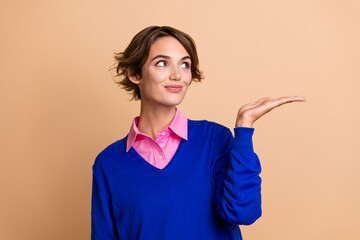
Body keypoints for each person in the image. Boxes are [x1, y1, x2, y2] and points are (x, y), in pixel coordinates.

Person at [91, 26, 305, 240]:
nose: (177, 75)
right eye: (162, 63)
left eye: (185, 65)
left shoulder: (214, 140)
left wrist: (244, 128)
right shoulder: (108, 163)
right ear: (135, 74)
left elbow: (243, 212)